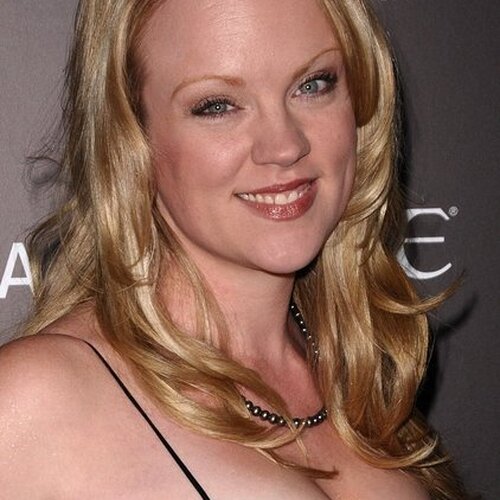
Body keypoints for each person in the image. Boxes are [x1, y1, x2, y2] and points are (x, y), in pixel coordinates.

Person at [0, 0, 468, 498]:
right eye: (217, 105)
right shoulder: (36, 400)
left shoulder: (360, 369)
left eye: (313, 84)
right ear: (132, 136)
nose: (284, 146)